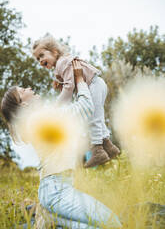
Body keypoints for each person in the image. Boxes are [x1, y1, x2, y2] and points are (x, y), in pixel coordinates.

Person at [1, 60, 122, 229]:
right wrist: (80, 80)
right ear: (24, 104)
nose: (28, 88)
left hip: (56, 190)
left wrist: (68, 85)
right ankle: (46, 217)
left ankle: (47, 218)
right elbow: (86, 108)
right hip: (56, 191)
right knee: (112, 223)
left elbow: (61, 106)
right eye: (23, 91)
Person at [32, 34, 120, 168]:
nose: (40, 60)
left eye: (42, 55)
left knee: (93, 118)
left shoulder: (62, 63)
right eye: (38, 59)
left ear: (54, 52)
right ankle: (109, 146)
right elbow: (67, 82)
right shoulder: (61, 65)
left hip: (93, 85)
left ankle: (98, 150)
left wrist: (57, 107)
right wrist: (59, 81)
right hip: (97, 84)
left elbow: (69, 88)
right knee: (97, 117)